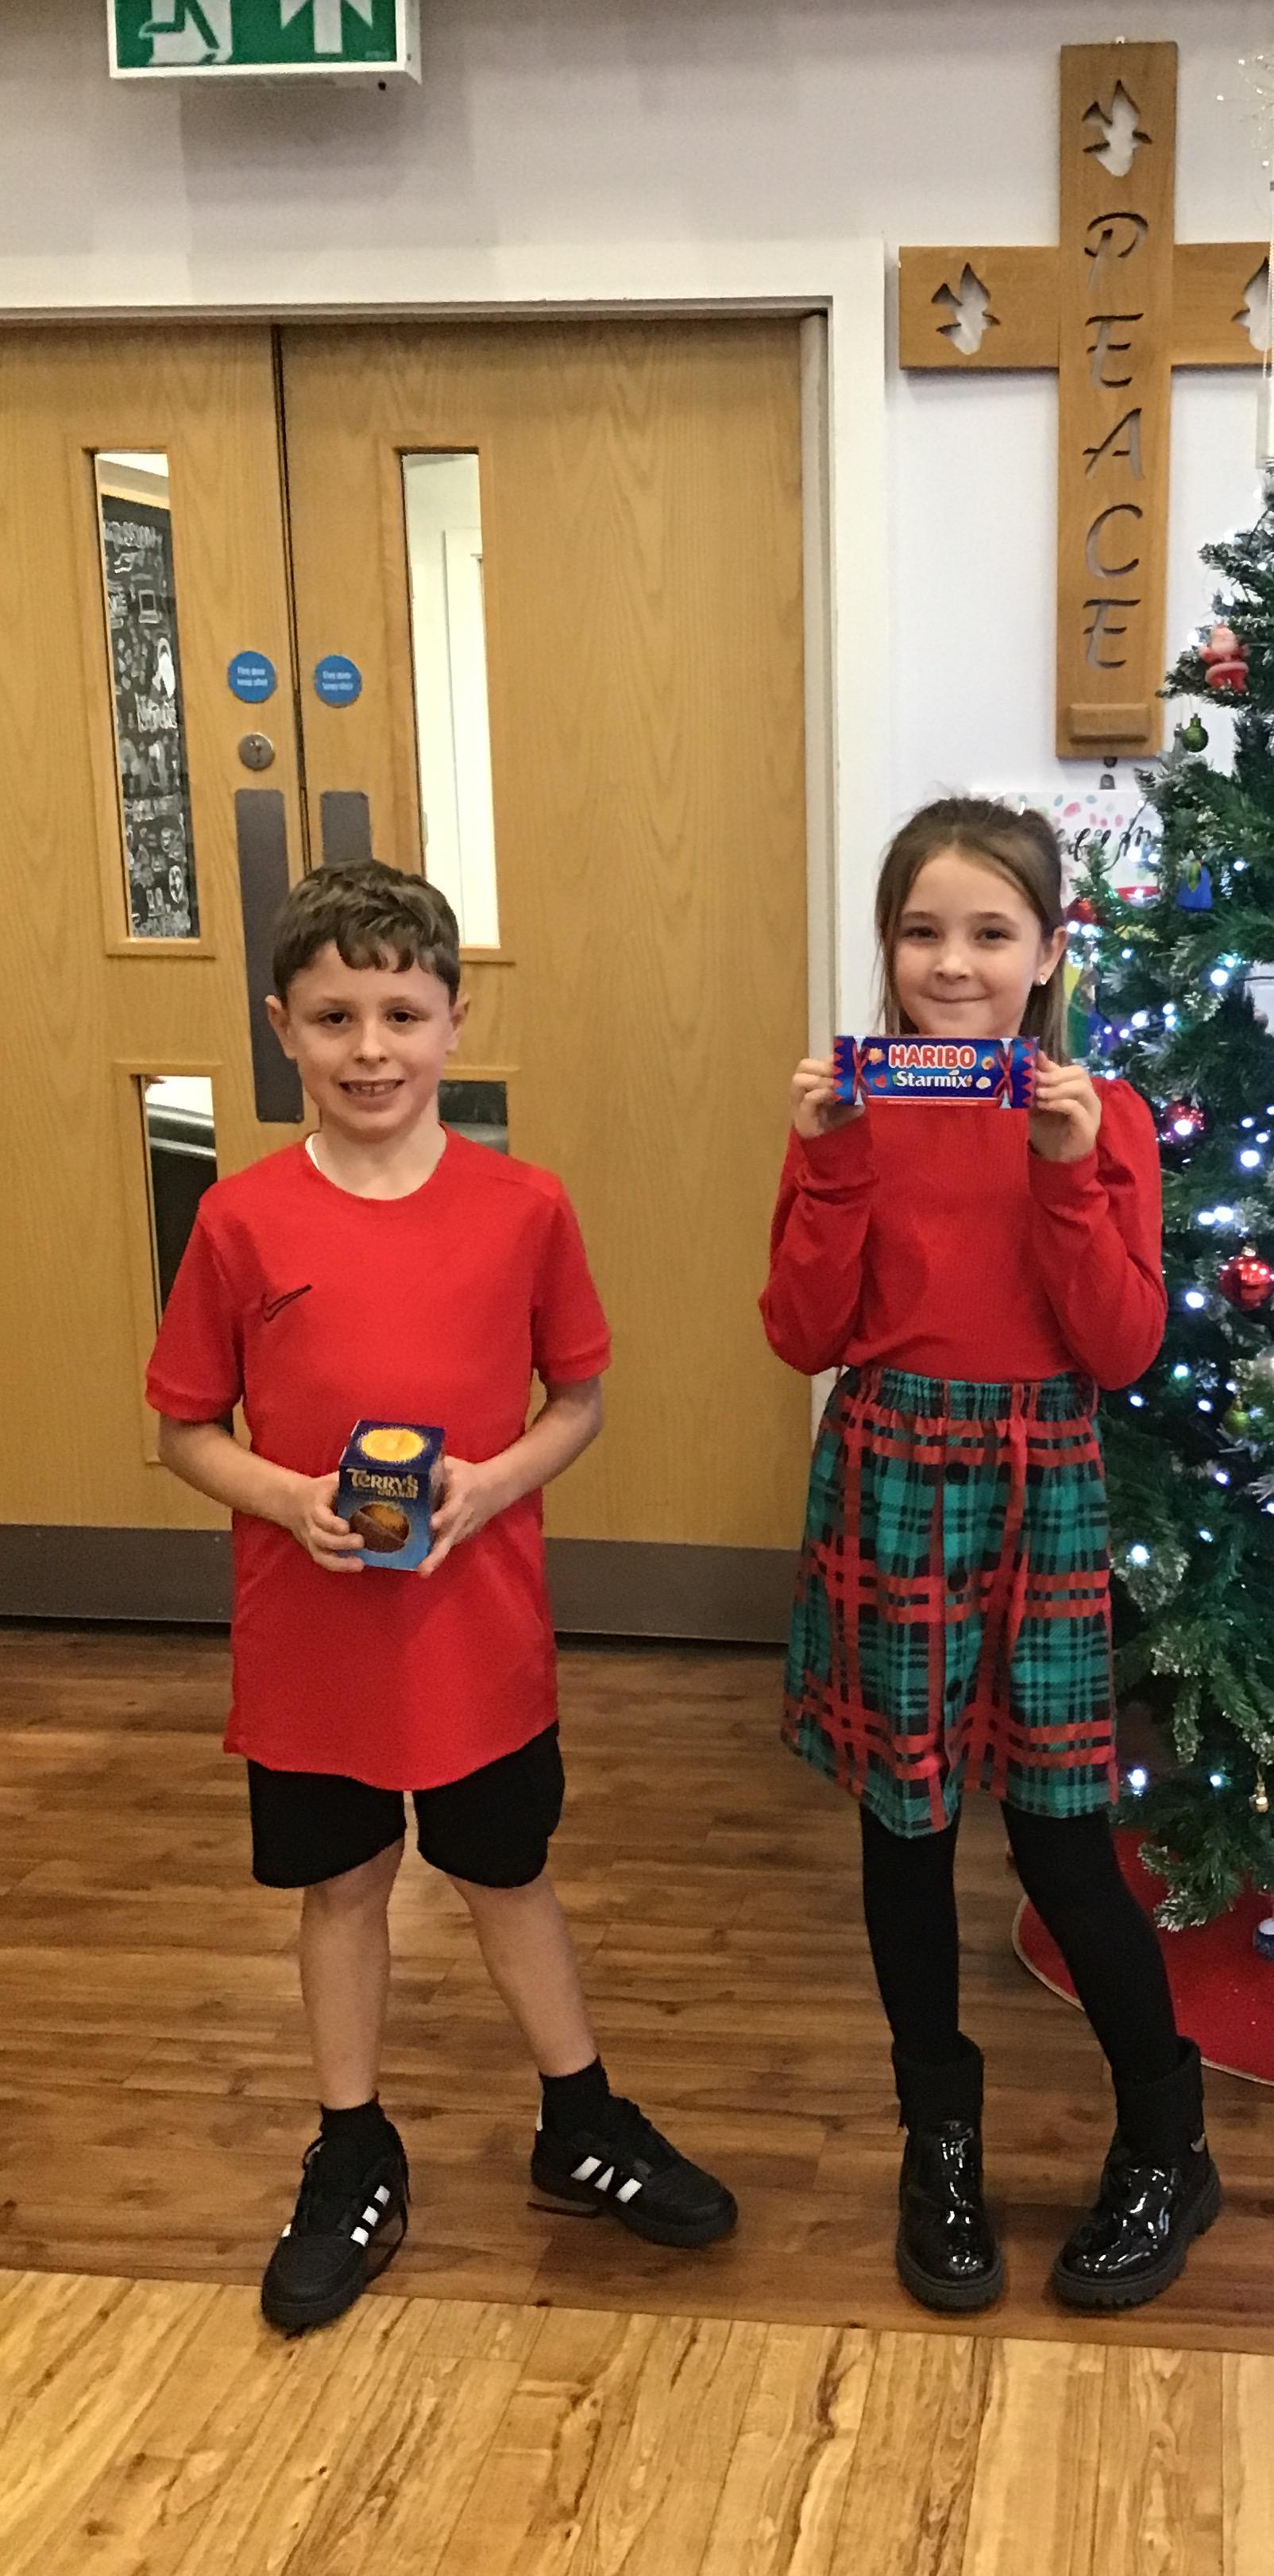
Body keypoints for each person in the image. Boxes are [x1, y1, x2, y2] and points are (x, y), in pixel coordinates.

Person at [148, 861, 735, 2336]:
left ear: (454, 1022)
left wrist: (490, 1483)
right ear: (282, 1027)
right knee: (342, 1885)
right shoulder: (238, 1221)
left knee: (505, 1872)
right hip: (313, 1648)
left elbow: (578, 1401)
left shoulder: (524, 1207)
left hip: (479, 1641)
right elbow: (184, 1429)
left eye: (401, 1014)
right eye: (335, 1017)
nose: (370, 1049)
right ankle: (353, 2146)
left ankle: (579, 2120)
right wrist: (286, 1498)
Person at [762, 797, 1219, 2315]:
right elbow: (801, 1335)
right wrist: (829, 1165)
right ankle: (938, 2142)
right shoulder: (848, 1114)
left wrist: (1069, 1171)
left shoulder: (1106, 1115)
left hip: (1045, 1481)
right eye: (920, 932)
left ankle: (1167, 2138)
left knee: (1063, 1841)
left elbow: (1123, 1347)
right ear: (886, 947)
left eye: (988, 933)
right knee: (904, 1835)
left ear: (1048, 953)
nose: (952, 965)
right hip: (891, 1471)